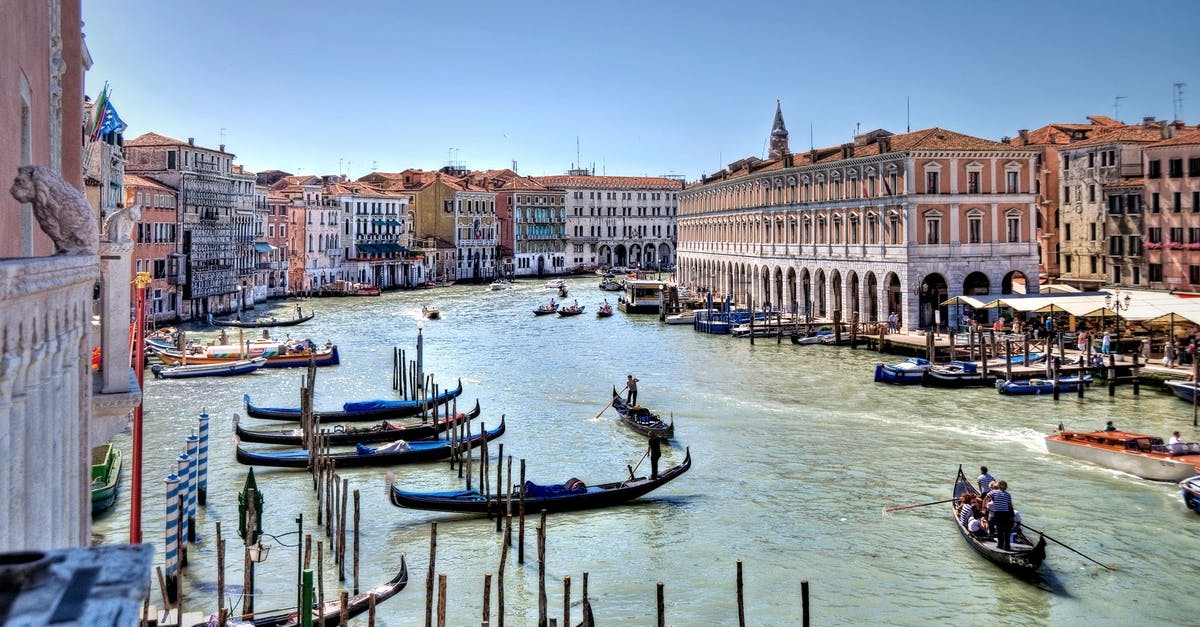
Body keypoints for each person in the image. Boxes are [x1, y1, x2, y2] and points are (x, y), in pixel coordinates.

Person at [985, 480, 1014, 550]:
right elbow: (1010, 506)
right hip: (1002, 513)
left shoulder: (1006, 494)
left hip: (1001, 513)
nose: (1003, 486)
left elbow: (986, 497)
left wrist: (984, 506)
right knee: (1004, 530)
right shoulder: (1001, 493)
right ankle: (1006, 546)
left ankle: (1002, 545)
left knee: (1002, 530)